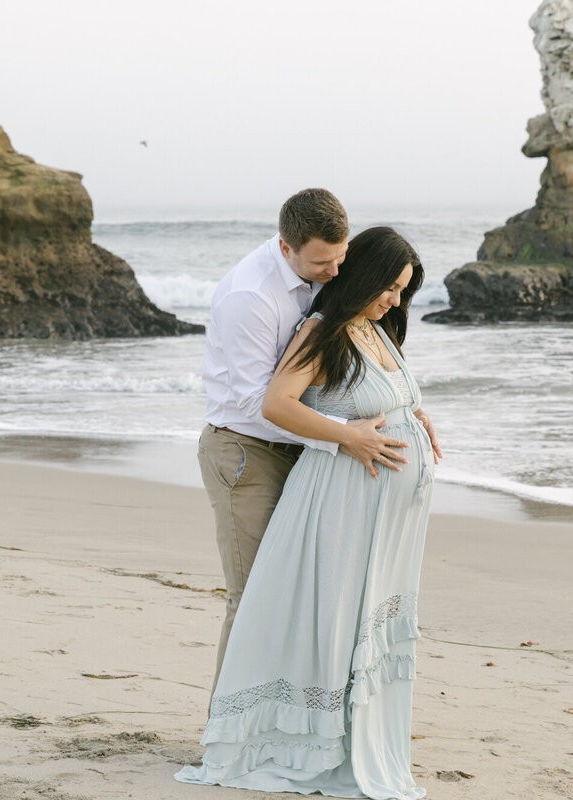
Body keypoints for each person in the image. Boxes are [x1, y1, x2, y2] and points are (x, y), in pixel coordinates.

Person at [178, 226, 443, 800]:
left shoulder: (376, 329)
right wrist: (346, 437)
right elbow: (275, 403)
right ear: (365, 276)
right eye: (390, 287)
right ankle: (272, 735)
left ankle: (350, 733)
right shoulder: (320, 331)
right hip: (339, 501)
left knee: (356, 619)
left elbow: (382, 396)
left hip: (383, 517)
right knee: (303, 613)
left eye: (403, 290)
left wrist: (414, 415)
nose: (396, 300)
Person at [199, 189, 410, 693]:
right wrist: (341, 439)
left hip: (301, 453)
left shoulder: (324, 276)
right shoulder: (250, 297)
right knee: (255, 598)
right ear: (286, 247)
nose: (336, 272)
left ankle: (283, 718)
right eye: (322, 261)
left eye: (342, 258)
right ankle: (226, 734)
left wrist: (404, 403)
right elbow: (259, 406)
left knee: (302, 596)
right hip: (245, 454)